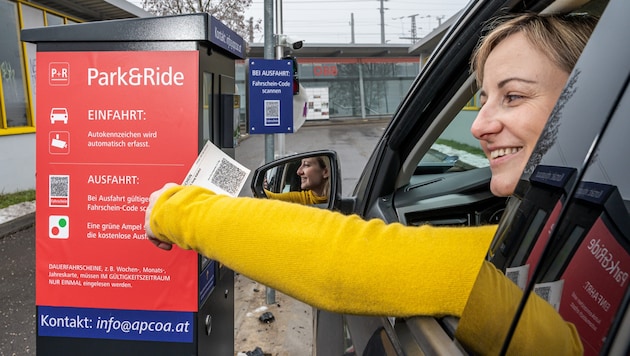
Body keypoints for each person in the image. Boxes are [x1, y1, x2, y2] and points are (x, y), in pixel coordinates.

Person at [144, 13, 597, 355]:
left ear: (595, 102)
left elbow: (340, 258)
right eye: (482, 101)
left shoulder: (541, 257)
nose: (479, 125)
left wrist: (176, 209)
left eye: (513, 96)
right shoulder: (570, 231)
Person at [263, 156, 330, 205]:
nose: (298, 172)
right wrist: (260, 187)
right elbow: (271, 197)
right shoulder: (300, 199)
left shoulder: (337, 198)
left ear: (326, 172)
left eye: (306, 165)